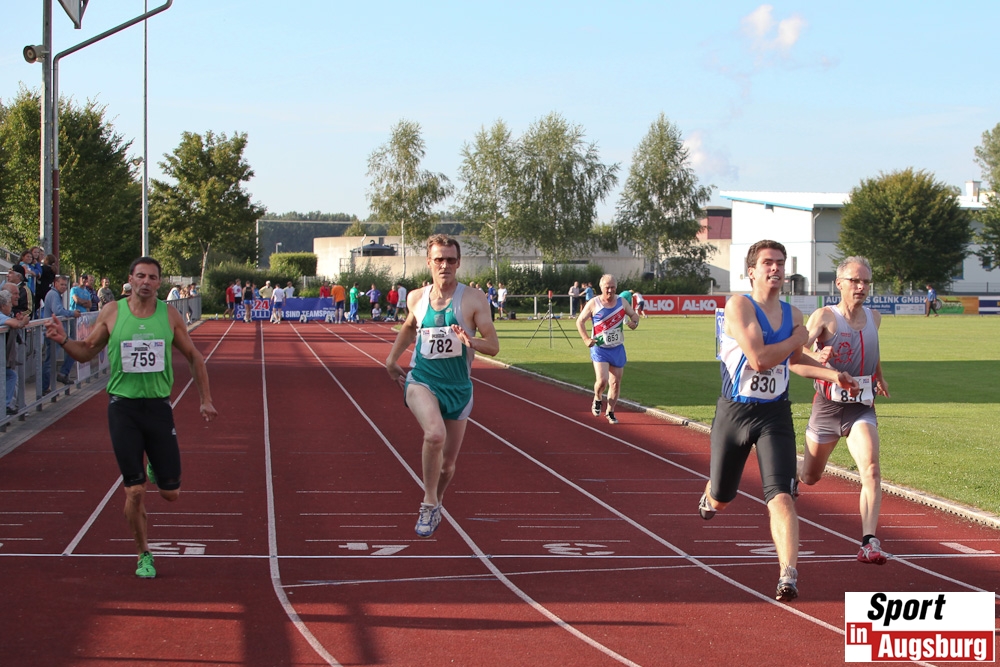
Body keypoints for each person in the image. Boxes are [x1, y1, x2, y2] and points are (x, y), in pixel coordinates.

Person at [699, 239, 858, 603]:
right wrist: (798, 341)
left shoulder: (794, 315)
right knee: (723, 497)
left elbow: (794, 361)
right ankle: (710, 497)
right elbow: (758, 359)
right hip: (735, 412)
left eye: (781, 263)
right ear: (751, 270)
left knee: (782, 496)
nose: (775, 269)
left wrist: (834, 375)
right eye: (768, 262)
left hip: (775, 414)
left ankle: (788, 574)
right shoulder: (739, 305)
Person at [43, 256, 217, 579]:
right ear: (130, 280)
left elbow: (194, 356)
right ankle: (144, 553)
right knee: (134, 491)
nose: (146, 282)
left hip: (158, 408)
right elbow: (86, 350)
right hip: (122, 408)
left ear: (159, 283)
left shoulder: (169, 315)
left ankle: (154, 466)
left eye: (153, 277)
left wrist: (205, 400)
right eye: (141, 276)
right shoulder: (112, 312)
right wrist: (63, 340)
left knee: (171, 493)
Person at [385, 235, 500, 538]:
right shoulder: (416, 298)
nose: (445, 265)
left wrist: (470, 340)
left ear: (458, 263)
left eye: (450, 260)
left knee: (447, 466)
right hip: (422, 379)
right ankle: (428, 501)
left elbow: (494, 346)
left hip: (458, 388)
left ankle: (437, 499)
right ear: (429, 262)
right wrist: (392, 359)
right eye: (439, 259)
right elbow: (410, 325)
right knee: (434, 434)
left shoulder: (474, 300)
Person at [798, 256, 891, 565]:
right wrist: (816, 353)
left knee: (872, 470)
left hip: (861, 409)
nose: (861, 286)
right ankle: (791, 476)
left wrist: (878, 376)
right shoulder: (825, 316)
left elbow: (873, 348)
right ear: (839, 283)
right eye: (855, 281)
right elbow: (798, 352)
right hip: (826, 408)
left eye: (866, 281)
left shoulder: (875, 318)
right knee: (810, 477)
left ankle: (869, 541)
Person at [575, 274, 639, 425]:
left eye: (613, 287)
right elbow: (580, 321)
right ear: (601, 288)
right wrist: (585, 339)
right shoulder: (594, 303)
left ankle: (610, 411)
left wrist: (634, 322)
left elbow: (634, 315)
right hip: (599, 348)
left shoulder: (622, 301)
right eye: (607, 288)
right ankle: (597, 398)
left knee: (615, 383)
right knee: (602, 381)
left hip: (617, 348)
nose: (610, 290)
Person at [40, 275, 82, 392]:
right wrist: (72, 313)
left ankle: (63, 374)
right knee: (50, 361)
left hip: (57, 332)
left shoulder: (55, 294)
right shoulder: (53, 294)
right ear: (55, 284)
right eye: (61, 284)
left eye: (65, 285)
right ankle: (44, 387)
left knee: (72, 351)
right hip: (53, 332)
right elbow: (58, 311)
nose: (64, 287)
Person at [0, 287, 29, 415]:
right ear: (3, 305)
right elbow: (15, 324)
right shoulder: (1, 316)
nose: (11, 306)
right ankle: (5, 406)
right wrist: (23, 321)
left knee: (10, 375)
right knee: (10, 376)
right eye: (10, 304)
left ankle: (6, 405)